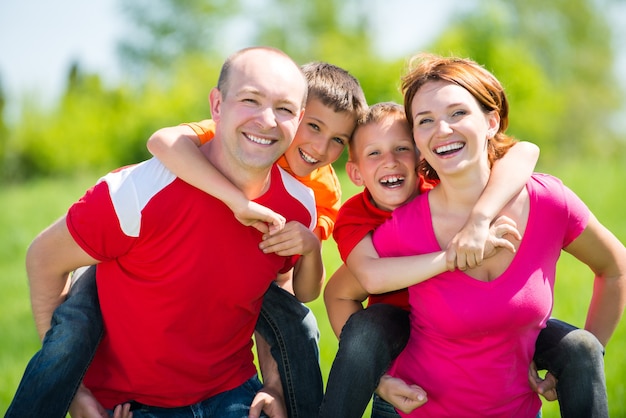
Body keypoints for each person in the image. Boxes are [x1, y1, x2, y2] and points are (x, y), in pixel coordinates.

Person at [8, 46, 321, 418]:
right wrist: (74, 392)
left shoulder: (299, 207)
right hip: (128, 405)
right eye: (250, 100)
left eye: (284, 109)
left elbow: (277, 287)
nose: (267, 120)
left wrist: (273, 384)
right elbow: (43, 258)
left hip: (233, 395)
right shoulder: (137, 193)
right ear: (217, 105)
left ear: (299, 119)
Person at [365, 53, 626, 417]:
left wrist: (580, 362)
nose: (442, 130)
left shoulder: (548, 202)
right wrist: (378, 379)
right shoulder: (407, 225)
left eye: (458, 113)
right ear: (417, 140)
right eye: (426, 121)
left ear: (491, 122)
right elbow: (342, 292)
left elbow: (615, 268)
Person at [320, 101, 539, 417]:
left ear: (420, 155)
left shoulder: (439, 189)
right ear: (354, 172)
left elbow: (526, 151)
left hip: (464, 327)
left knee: (572, 347)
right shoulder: (355, 215)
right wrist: (450, 257)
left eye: (401, 149)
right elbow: (369, 278)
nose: (391, 162)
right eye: (374, 153)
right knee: (370, 326)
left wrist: (481, 217)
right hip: (400, 327)